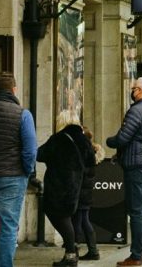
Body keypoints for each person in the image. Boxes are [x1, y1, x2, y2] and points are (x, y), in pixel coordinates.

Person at [106, 77, 142, 267]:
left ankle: (136, 255)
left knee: (136, 212)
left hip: (136, 165)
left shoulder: (136, 111)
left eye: (133, 88)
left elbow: (123, 138)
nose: (132, 91)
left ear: (139, 90)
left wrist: (109, 141)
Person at [37, 111, 95, 267]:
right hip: (77, 186)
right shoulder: (83, 139)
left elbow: (40, 154)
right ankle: (71, 250)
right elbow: (91, 160)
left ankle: (70, 254)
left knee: (59, 216)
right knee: (67, 218)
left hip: (58, 186)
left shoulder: (58, 139)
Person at [0, 71, 37, 267]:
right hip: (12, 177)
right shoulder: (23, 114)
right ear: (14, 89)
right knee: (8, 227)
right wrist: (27, 171)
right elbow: (30, 151)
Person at [73, 127, 105, 261]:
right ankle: (92, 250)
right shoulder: (91, 152)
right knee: (83, 220)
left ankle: (80, 250)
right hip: (86, 192)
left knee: (80, 221)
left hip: (81, 192)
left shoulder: (84, 153)